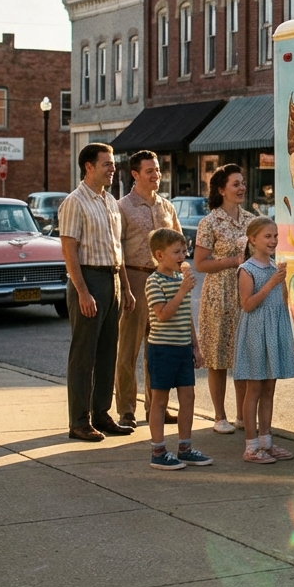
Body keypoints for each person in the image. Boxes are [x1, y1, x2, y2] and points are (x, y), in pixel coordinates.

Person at [58, 143, 137, 442]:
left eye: (113, 164)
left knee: (107, 354)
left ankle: (101, 415)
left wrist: (126, 289)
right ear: (88, 166)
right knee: (83, 355)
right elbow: (69, 250)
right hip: (88, 281)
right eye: (106, 164)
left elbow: (118, 250)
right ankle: (79, 421)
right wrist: (82, 292)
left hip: (113, 280)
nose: (112, 169)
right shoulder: (74, 202)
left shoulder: (111, 202)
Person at [115, 150, 182, 427]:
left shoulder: (167, 207)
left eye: (157, 170)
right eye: (150, 171)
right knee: (129, 349)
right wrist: (126, 288)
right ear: (135, 174)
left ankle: (157, 407)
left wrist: (178, 278)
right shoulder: (122, 207)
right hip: (135, 278)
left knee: (158, 349)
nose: (156, 175)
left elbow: (179, 244)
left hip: (163, 280)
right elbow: (117, 250)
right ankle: (126, 410)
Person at [143, 228, 212, 471]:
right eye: (177, 252)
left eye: (184, 250)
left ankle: (185, 448)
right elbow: (161, 315)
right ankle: (158, 451)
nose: (183, 255)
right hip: (162, 349)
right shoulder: (154, 282)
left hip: (183, 348)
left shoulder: (178, 279)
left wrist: (196, 346)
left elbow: (185, 316)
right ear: (160, 255)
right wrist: (183, 291)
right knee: (160, 401)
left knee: (188, 397)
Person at [233, 217, 294, 464]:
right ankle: (251, 446)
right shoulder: (247, 270)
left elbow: (283, 304)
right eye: (267, 236)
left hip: (273, 333)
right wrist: (271, 283)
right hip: (255, 334)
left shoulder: (275, 268)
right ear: (252, 240)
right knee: (255, 389)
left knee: (270, 388)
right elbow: (247, 305)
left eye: (275, 236)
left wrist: (288, 337)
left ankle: (266, 442)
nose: (273, 241)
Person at [194, 163, 254, 434]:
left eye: (242, 183)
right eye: (235, 184)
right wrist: (233, 260)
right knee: (217, 356)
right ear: (221, 189)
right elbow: (200, 263)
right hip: (219, 293)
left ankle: (243, 415)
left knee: (243, 355)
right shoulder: (210, 222)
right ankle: (219, 416)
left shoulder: (252, 220)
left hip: (246, 292)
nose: (241, 188)